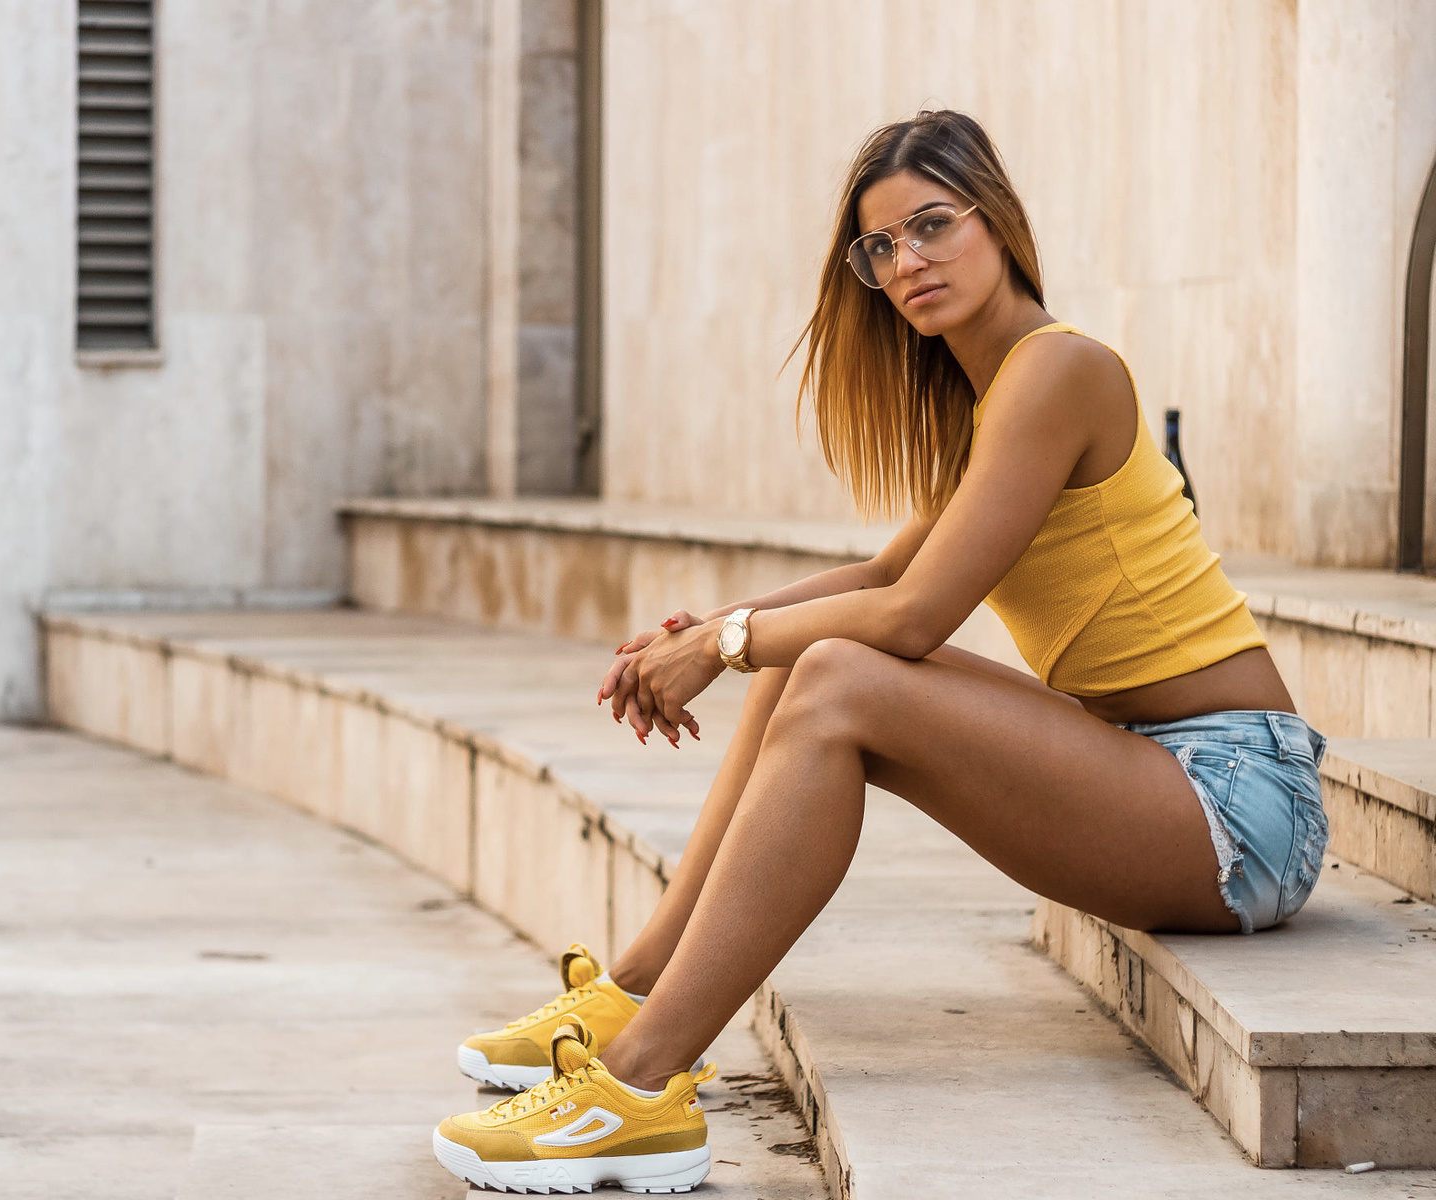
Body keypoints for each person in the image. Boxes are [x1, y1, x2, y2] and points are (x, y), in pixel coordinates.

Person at [430, 107, 1329, 1194]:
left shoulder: (1059, 372)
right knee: (814, 664)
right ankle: (636, 987)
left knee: (840, 675)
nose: (906, 262)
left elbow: (910, 623)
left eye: (931, 226)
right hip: (1157, 772)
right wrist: (700, 632)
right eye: (880, 247)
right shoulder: (998, 399)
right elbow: (876, 583)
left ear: (996, 221)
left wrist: (723, 643)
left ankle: (635, 1082)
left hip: (1235, 802)